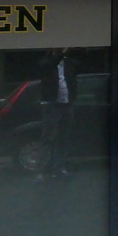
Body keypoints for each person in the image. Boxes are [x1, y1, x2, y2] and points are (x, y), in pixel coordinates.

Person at [38, 48, 79, 178]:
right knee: (48, 137)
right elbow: (48, 65)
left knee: (63, 138)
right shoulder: (47, 63)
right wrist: (59, 53)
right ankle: (43, 170)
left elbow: (76, 73)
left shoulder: (68, 63)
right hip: (51, 105)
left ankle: (59, 168)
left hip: (66, 104)